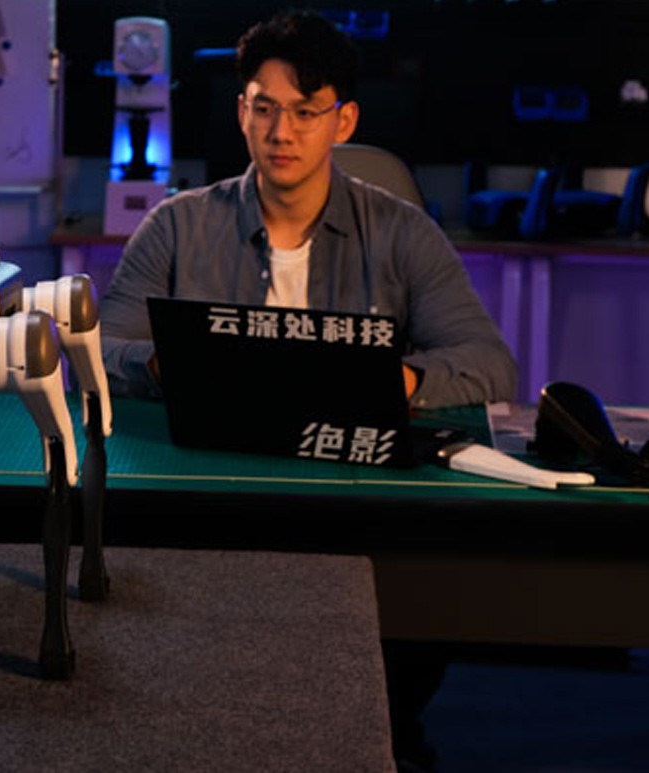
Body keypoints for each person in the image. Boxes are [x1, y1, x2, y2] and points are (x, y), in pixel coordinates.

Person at [97, 9, 519, 772]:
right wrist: (171, 364)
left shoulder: (401, 233)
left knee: (379, 664)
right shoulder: (175, 227)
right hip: (212, 493)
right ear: (240, 112)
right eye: (263, 108)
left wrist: (399, 378)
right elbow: (98, 350)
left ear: (342, 121)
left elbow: (488, 362)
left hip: (355, 499)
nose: (280, 132)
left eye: (304, 111)